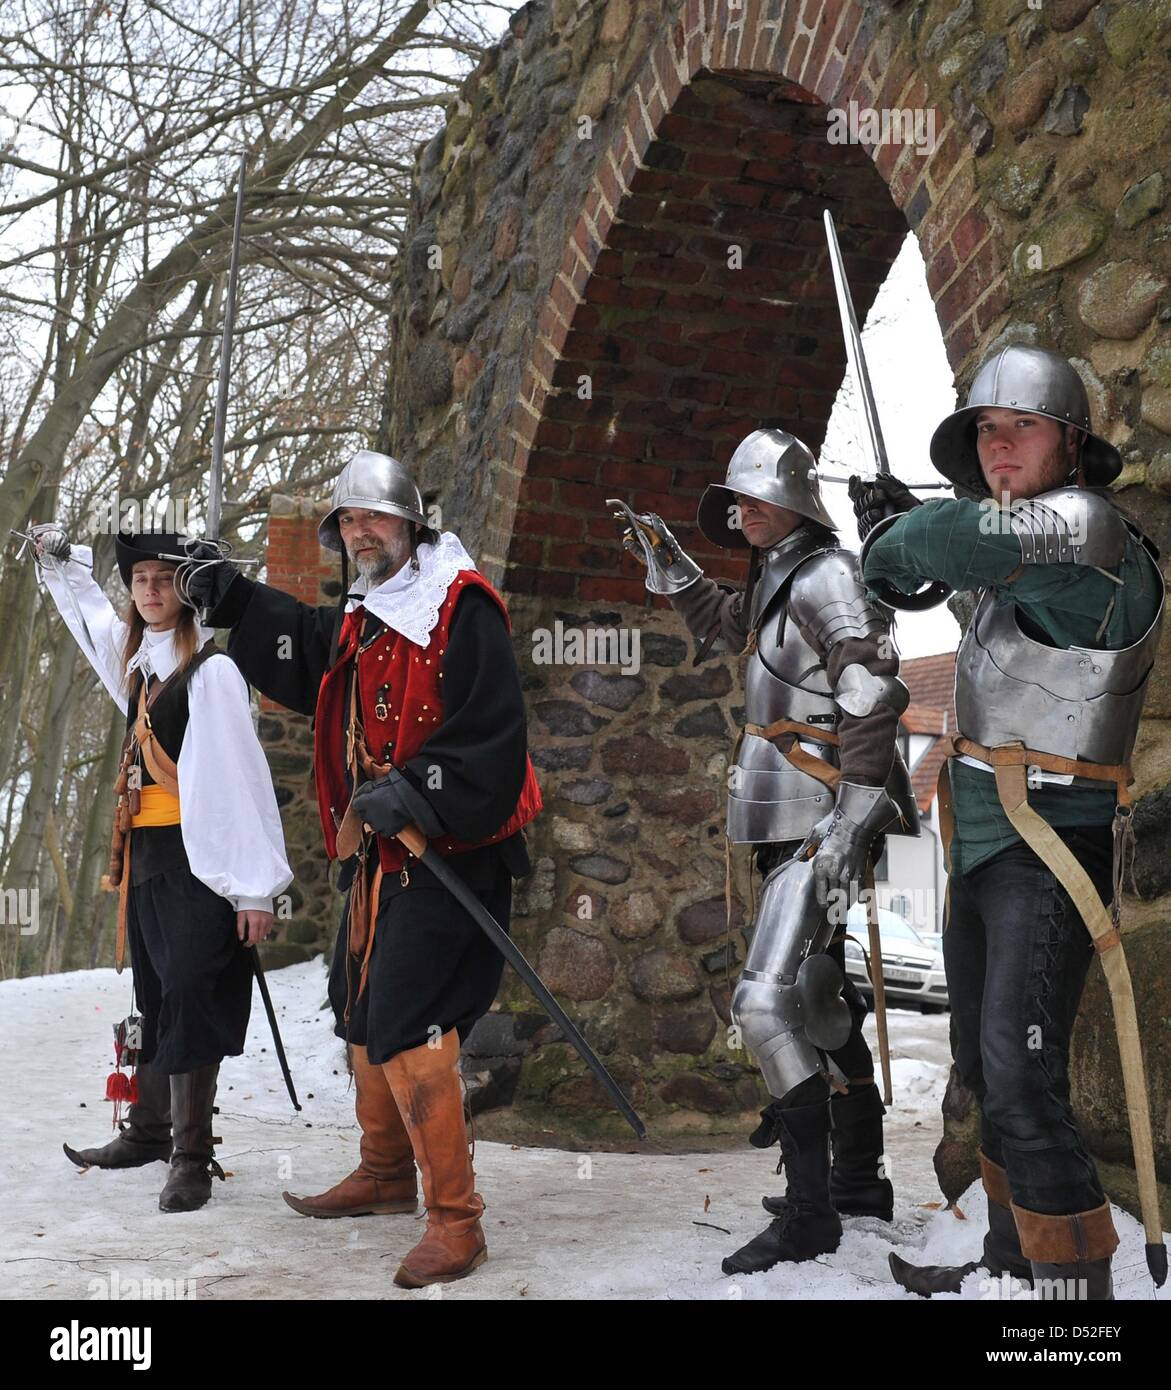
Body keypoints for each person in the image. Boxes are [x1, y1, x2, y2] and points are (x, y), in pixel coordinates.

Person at [181, 448, 542, 1287]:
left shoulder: (461, 606)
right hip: (383, 859)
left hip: (452, 853)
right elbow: (309, 652)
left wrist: (416, 788)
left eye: (372, 517)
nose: (358, 532)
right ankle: (384, 1175)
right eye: (346, 521)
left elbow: (494, 730)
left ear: (412, 523)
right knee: (359, 1009)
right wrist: (231, 597)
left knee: (410, 1019)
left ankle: (457, 1221)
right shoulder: (365, 610)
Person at [852, 344, 1166, 1300]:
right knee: (985, 1073)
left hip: (1049, 852)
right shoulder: (1018, 565)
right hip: (987, 841)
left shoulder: (1086, 530)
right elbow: (917, 579)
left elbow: (933, 549)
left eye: (1019, 426)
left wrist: (896, 532)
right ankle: (1008, 1266)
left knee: (1025, 1081)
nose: (998, 445)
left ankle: (1075, 1318)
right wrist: (894, 537)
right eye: (985, 431)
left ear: (1070, 442)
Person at [614, 427, 920, 1276]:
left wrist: (846, 828)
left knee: (764, 1004)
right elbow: (727, 627)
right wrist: (671, 562)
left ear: (790, 500)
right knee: (819, 998)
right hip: (788, 815)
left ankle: (814, 1213)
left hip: (819, 817)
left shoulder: (828, 575)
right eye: (735, 500)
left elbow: (870, 692)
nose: (741, 510)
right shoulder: (779, 570)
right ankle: (856, 1181)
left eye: (753, 497)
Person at [31, 524, 293, 1212]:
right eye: (139, 580)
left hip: (199, 864)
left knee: (188, 996)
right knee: (155, 997)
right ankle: (148, 1133)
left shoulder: (213, 673)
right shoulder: (140, 668)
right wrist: (64, 568)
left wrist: (253, 888)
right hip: (147, 857)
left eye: (163, 579)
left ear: (186, 591)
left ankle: (191, 1153)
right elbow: (92, 625)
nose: (148, 590)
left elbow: (241, 784)